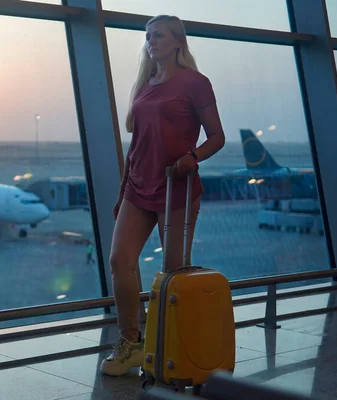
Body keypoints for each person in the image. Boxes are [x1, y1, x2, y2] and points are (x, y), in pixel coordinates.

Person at [100, 14, 226, 377]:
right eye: (148, 36)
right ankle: (131, 342)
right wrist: (123, 191)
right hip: (138, 188)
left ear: (177, 42)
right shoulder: (144, 84)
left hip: (177, 189)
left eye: (158, 35)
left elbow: (217, 137)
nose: (151, 41)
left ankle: (169, 345)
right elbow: (136, 145)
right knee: (119, 260)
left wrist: (193, 157)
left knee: (173, 273)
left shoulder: (196, 83)